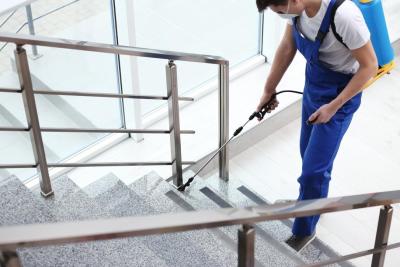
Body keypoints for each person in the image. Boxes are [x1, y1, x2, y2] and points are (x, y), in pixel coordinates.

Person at [256, 0, 378, 252]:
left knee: (313, 171)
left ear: (292, 1)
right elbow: (288, 46)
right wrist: (268, 90)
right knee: (308, 154)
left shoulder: (344, 16)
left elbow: (370, 67)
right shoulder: (297, 12)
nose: (279, 15)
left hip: (341, 95)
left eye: (278, 11)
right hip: (314, 86)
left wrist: (334, 105)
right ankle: (310, 203)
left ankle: (304, 231)